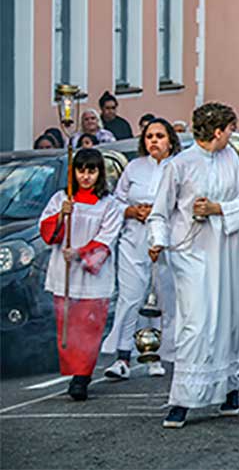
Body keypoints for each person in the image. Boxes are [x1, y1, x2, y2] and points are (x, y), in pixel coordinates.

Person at [147, 102, 239, 429]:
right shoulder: (179, 165)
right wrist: (157, 240)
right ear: (218, 131)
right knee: (196, 321)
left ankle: (228, 389)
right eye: (230, 130)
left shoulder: (231, 157)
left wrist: (218, 209)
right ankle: (183, 398)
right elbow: (160, 211)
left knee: (230, 318)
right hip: (191, 251)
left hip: (227, 249)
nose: (232, 136)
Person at [39, 149, 123, 401]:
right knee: (68, 325)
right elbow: (47, 231)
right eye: (81, 170)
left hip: (92, 276)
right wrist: (61, 216)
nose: (86, 176)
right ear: (74, 172)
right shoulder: (61, 199)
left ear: (99, 173)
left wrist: (79, 253)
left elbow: (107, 239)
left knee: (89, 327)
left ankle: (82, 377)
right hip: (63, 274)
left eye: (91, 171)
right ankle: (74, 369)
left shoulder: (109, 204)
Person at [100, 118, 182, 379]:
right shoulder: (134, 167)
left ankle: (155, 355)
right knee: (130, 296)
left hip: (167, 240)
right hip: (134, 239)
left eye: (159, 136)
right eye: (149, 137)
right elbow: (116, 201)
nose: (154, 141)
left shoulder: (179, 166)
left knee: (161, 297)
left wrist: (160, 214)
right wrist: (132, 211)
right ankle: (122, 357)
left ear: (170, 140)